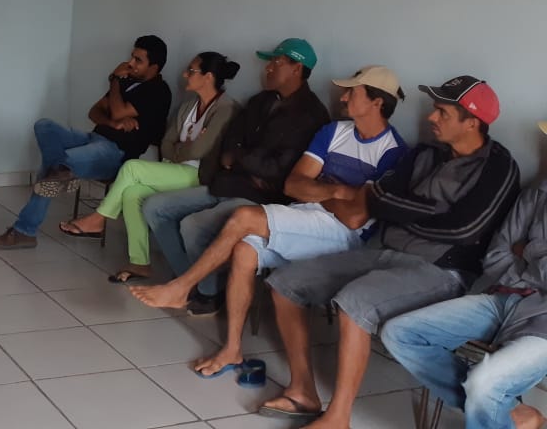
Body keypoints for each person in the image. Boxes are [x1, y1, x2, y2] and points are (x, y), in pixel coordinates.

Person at [257, 76, 521, 429]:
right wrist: (419, 210)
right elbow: (378, 198)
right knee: (284, 283)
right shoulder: (425, 153)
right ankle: (303, 391)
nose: (431, 117)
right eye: (434, 109)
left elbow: (464, 231)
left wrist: (402, 210)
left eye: (442, 113)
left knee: (354, 301)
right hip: (386, 251)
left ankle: (338, 418)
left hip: (441, 270)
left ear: (471, 122)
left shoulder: (499, 166)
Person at [131, 66, 407, 378]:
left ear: (377, 103)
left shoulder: (393, 152)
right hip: (305, 216)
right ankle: (232, 349)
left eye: (352, 93)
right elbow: (293, 185)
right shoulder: (334, 132)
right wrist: (337, 191)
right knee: (244, 250)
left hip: (343, 234)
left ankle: (181, 287)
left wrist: (318, 191)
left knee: (244, 217)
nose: (343, 98)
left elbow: (355, 217)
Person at [140, 38, 331, 315]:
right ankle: (191, 281)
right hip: (230, 183)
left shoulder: (312, 115)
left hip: (263, 198)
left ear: (297, 68)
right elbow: (230, 144)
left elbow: (279, 170)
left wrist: (240, 159)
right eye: (269, 62)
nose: (268, 68)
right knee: (154, 207)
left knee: (194, 226)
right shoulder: (260, 101)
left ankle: (208, 293)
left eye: (276, 62)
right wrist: (243, 160)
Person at [382, 125, 547, 429]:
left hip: (543, 320)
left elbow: (518, 249)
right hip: (506, 296)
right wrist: (527, 265)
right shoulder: (536, 193)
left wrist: (528, 249)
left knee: (484, 384)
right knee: (399, 333)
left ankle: (489, 402)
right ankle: (510, 411)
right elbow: (497, 255)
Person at [58, 52, 242, 283]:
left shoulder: (226, 108)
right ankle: (139, 263)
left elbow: (199, 150)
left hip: (200, 175)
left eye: (191, 71)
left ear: (208, 77)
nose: (185, 74)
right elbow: (167, 143)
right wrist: (183, 148)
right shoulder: (188, 106)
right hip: (174, 169)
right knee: (132, 193)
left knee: (132, 168)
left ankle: (99, 218)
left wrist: (182, 148)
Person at [0, 36, 172, 249]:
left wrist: (114, 80)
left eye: (138, 60)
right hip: (92, 138)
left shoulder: (158, 91)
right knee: (44, 126)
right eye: (132, 57)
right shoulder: (128, 81)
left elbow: (119, 111)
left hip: (114, 153)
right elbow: (94, 112)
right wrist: (112, 122)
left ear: (154, 66)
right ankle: (63, 173)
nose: (130, 63)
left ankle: (25, 230)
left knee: (54, 170)